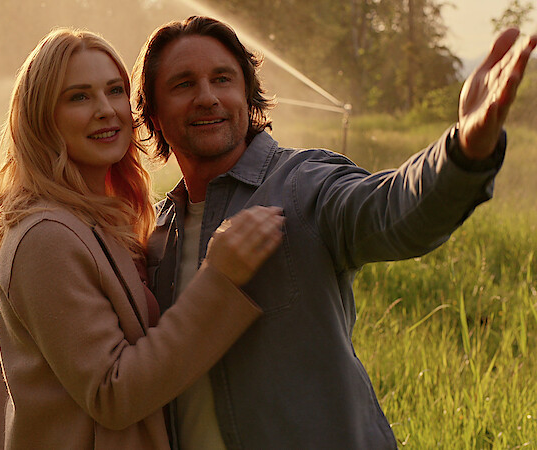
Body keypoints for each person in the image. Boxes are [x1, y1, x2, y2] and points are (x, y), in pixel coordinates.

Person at [133, 15, 537, 449]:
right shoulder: (155, 235)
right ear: (153, 114)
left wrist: (463, 149)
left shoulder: (302, 183)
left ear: (246, 95)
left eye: (223, 79)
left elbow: (393, 208)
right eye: (183, 84)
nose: (207, 97)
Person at [0, 28, 285, 449]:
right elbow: (112, 394)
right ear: (42, 117)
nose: (106, 110)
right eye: (78, 97)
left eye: (114, 91)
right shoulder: (45, 237)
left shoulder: (100, 223)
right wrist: (220, 279)